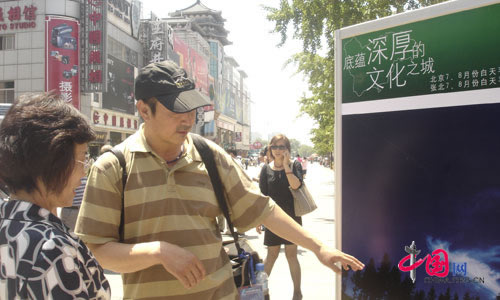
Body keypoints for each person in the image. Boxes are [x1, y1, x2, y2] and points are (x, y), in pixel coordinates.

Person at [75, 60, 364, 300]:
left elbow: (263, 209)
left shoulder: (208, 155)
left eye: (191, 108)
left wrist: (319, 247)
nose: (188, 119)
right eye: (175, 109)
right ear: (143, 110)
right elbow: (97, 251)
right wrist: (157, 252)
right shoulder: (113, 167)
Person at [0, 93, 111, 299]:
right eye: (81, 159)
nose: (84, 172)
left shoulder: (7, 227)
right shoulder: (52, 248)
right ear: (53, 162)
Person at [257, 134, 304, 299]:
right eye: (275, 147)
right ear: (270, 149)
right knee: (271, 255)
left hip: (292, 218)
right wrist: (258, 219)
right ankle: (259, 292)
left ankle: (297, 292)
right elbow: (261, 195)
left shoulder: (295, 165)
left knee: (292, 255)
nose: (278, 150)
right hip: (272, 218)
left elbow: (296, 185)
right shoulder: (265, 169)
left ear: (287, 149)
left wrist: (286, 166)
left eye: (282, 147)